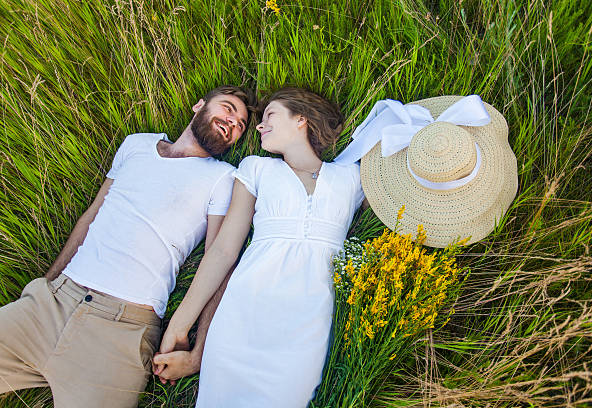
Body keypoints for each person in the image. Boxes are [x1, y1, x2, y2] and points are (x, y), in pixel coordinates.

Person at [0, 85, 252, 408]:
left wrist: (197, 354)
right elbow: (92, 215)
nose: (232, 123)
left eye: (241, 125)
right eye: (228, 108)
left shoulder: (223, 179)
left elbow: (218, 265)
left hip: (121, 334)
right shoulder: (136, 145)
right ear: (199, 106)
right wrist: (46, 285)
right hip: (51, 305)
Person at [154, 87, 365, 407]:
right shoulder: (256, 169)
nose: (259, 125)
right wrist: (179, 325)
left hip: (304, 333)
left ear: (301, 120)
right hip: (240, 321)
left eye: (270, 116)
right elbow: (224, 251)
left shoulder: (351, 177)